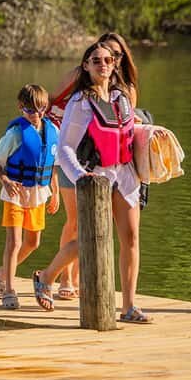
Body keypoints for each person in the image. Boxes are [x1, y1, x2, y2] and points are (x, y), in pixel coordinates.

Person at [33, 40, 149, 322]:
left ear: (114, 64)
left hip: (125, 175)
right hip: (96, 176)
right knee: (92, 238)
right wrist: (80, 176)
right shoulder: (80, 102)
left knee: (131, 237)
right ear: (86, 66)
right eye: (96, 60)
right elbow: (65, 147)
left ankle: (128, 307)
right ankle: (46, 276)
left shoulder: (121, 97)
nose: (103, 65)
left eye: (108, 60)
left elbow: (130, 133)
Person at [0, 85, 60, 309]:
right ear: (21, 108)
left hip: (38, 193)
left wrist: (55, 192)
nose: (36, 114)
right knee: (14, 242)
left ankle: (0, 274)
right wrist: (5, 181)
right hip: (15, 194)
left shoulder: (52, 131)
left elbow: (53, 165)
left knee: (33, 242)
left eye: (41, 109)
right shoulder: (15, 134)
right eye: (30, 110)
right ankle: (8, 290)